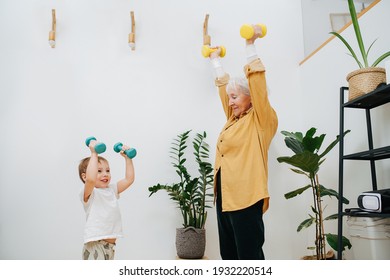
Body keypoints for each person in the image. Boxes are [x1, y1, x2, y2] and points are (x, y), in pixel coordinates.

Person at [208, 25, 278, 260]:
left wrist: (250, 46)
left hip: (246, 198)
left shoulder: (261, 120)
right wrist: (215, 60)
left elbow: (258, 84)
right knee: (229, 256)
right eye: (230, 98)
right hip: (225, 197)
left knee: (249, 257)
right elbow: (222, 89)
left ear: (250, 97)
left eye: (235, 97)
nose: (230, 103)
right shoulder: (233, 119)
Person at [78, 140, 135, 260]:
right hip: (96, 245)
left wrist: (127, 159)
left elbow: (129, 179)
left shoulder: (111, 190)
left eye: (107, 171)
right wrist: (94, 153)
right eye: (99, 171)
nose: (105, 174)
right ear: (84, 176)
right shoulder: (89, 193)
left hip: (110, 246)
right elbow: (91, 180)